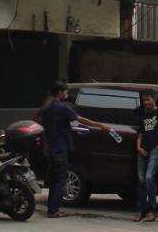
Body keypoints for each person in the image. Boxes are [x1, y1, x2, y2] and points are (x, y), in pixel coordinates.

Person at [39, 81, 110, 218]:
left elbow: (45, 129)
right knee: (60, 180)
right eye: (65, 91)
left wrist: (46, 146)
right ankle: (54, 210)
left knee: (54, 180)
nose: (67, 94)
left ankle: (52, 208)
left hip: (52, 148)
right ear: (59, 92)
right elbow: (81, 119)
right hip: (61, 148)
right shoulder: (62, 107)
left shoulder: (46, 108)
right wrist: (100, 125)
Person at [133, 89, 158, 223]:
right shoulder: (143, 115)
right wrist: (138, 147)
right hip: (142, 149)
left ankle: (152, 210)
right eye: (144, 100)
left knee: (150, 177)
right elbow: (140, 133)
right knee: (141, 180)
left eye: (148, 99)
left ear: (154, 99)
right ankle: (140, 210)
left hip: (155, 149)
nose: (146, 102)